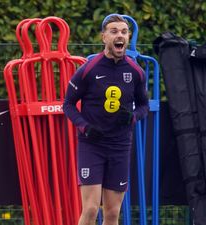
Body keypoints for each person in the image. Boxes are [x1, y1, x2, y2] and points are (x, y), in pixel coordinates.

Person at [63, 14, 149, 225]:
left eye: (123, 32)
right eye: (114, 31)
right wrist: (84, 127)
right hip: (92, 146)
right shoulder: (88, 70)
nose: (119, 35)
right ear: (104, 37)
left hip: (120, 146)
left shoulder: (136, 72)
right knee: (91, 209)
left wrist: (133, 116)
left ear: (128, 37)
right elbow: (68, 104)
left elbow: (144, 105)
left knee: (112, 213)